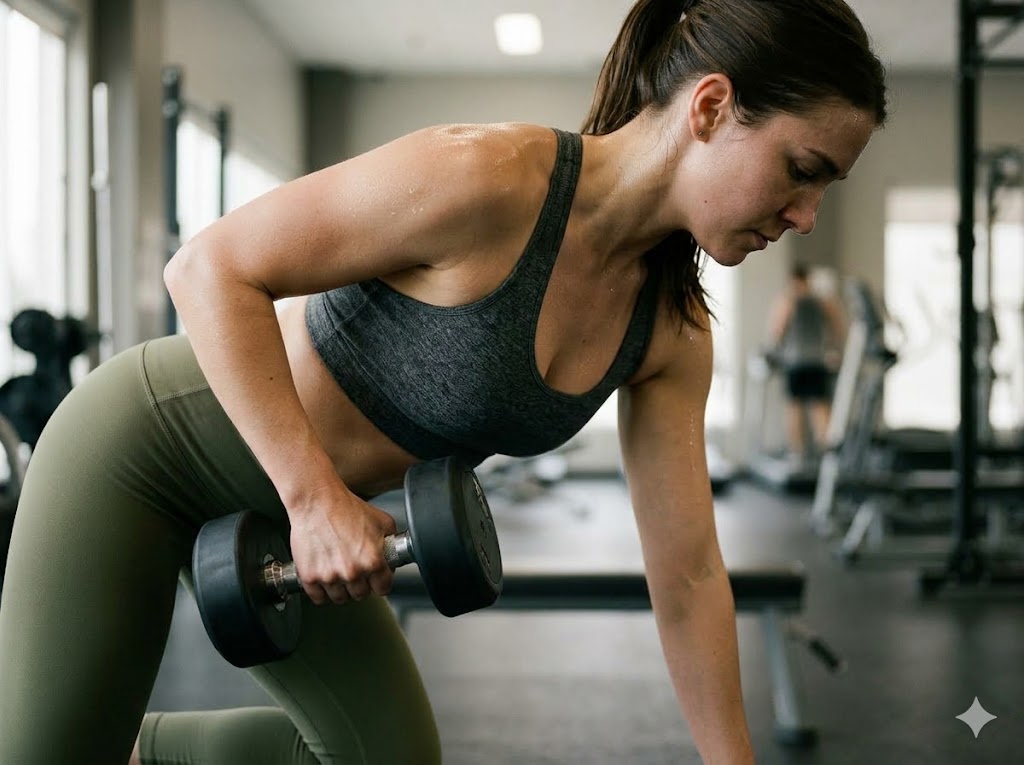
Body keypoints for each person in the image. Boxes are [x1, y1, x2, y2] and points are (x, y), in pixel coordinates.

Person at [0, 0, 887, 762]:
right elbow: (208, 268)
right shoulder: (485, 178)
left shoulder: (670, 329)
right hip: (144, 451)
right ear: (712, 106)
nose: (807, 216)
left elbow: (689, 576)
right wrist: (313, 500)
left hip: (275, 519)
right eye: (801, 171)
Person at [769, 263, 846, 465]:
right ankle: (824, 454)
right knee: (816, 407)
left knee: (797, 407)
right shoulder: (821, 300)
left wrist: (776, 346)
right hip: (815, 361)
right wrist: (833, 347)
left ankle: (800, 453)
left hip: (798, 362)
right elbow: (838, 326)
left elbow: (778, 330)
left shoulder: (789, 300)